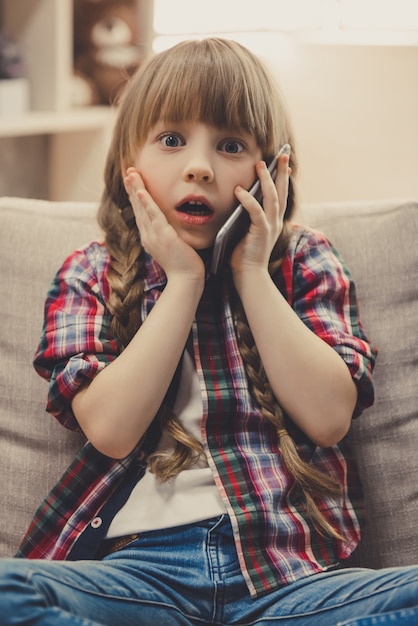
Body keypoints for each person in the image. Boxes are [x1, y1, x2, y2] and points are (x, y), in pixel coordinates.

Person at [0, 37, 416, 626]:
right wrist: (181, 283)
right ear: (130, 163)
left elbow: (328, 416)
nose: (199, 165)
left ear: (273, 170)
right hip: (140, 576)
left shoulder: (305, 262)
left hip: (287, 578)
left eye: (230, 145)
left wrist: (249, 271)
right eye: (172, 140)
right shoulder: (91, 272)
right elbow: (112, 432)